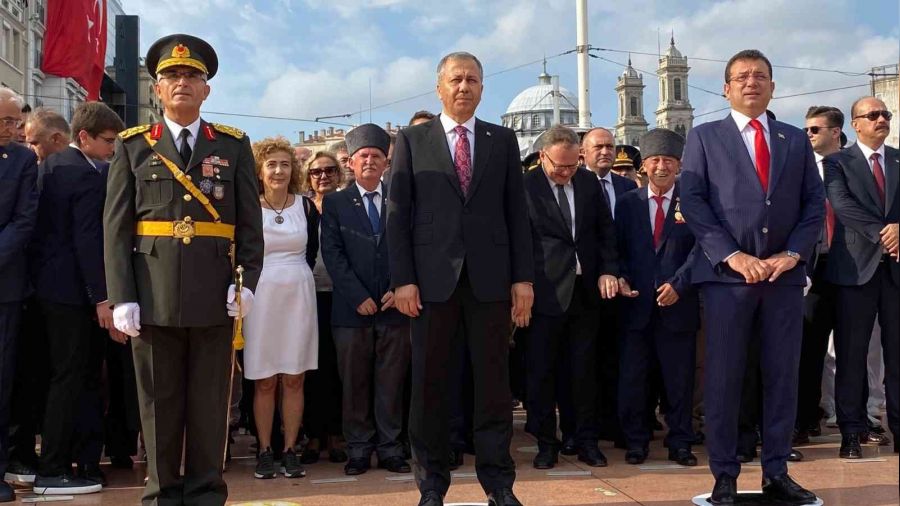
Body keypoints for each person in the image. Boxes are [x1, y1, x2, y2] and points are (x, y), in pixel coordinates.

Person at [104, 34, 264, 505]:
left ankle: (205, 492)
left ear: (206, 89)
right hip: (152, 294)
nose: (182, 83)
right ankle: (161, 493)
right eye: (172, 76)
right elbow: (115, 228)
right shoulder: (133, 147)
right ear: (157, 88)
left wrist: (248, 282)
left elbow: (249, 227)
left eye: (192, 76)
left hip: (216, 293)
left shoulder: (233, 146)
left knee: (210, 404)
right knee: (158, 405)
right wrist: (122, 295)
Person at [387, 51, 534, 506]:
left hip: (490, 281)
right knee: (429, 385)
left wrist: (522, 279)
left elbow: (516, 213)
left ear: (483, 88)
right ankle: (431, 485)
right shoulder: (413, 139)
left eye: (472, 80)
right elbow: (398, 215)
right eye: (456, 79)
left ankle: (499, 485)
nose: (464, 87)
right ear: (439, 87)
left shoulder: (502, 140)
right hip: (431, 284)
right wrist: (404, 279)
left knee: (493, 387)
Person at [680, 49, 822, 505]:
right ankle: (724, 473)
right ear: (725, 88)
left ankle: (776, 470)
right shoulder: (704, 137)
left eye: (760, 76)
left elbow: (813, 205)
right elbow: (695, 203)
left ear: (772, 86)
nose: (751, 83)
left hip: (781, 280)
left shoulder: (794, 140)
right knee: (724, 378)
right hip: (727, 281)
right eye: (741, 77)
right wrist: (732, 255)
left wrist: (794, 254)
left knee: (782, 376)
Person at [30, 102, 125, 496]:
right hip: (73, 295)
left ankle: (58, 460)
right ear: (82, 137)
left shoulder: (49, 168)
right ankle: (54, 468)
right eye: (107, 142)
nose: (111, 151)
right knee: (73, 378)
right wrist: (102, 298)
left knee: (62, 377)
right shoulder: (83, 174)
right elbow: (88, 241)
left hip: (47, 291)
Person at [521, 125, 618, 470]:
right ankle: (547, 443)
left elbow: (606, 231)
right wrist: (520, 285)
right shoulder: (525, 187)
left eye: (572, 165)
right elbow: (519, 242)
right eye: (558, 167)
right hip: (543, 293)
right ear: (542, 156)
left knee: (583, 371)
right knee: (542, 372)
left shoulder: (588, 183)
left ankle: (585, 440)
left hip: (585, 292)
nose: (565, 173)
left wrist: (609, 269)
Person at [322, 123, 411, 476]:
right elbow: (333, 253)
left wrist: (398, 286)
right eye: (364, 156)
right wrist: (358, 295)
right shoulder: (336, 202)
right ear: (351, 162)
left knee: (391, 384)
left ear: (386, 161)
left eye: (376, 156)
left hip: (394, 307)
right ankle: (358, 449)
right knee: (355, 384)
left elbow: (409, 246)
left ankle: (390, 448)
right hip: (351, 311)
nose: (370, 161)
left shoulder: (401, 199)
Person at [614, 128, 699, 467]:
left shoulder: (693, 202)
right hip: (636, 306)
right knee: (635, 378)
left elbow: (703, 249)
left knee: (679, 381)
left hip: (679, 304)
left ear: (678, 165)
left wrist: (680, 284)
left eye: (668, 160)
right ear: (643, 166)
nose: (661, 167)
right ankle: (636, 442)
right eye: (654, 161)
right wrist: (620, 276)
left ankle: (680, 442)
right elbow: (615, 249)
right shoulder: (628, 204)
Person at [824, 96, 899, 457]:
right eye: (873, 115)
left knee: (896, 355)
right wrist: (884, 232)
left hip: (896, 270)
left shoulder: (899, 159)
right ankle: (851, 432)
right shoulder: (838, 163)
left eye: (885, 114)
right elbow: (841, 204)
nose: (881, 119)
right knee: (852, 356)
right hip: (855, 271)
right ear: (855, 123)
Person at [244, 136, 318, 480]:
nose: (278, 170)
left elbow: (313, 251)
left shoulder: (305, 207)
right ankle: (264, 449)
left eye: (285, 164)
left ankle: (290, 449)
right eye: (271, 164)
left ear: (294, 170)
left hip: (299, 296)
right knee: (264, 381)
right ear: (260, 169)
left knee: (294, 378)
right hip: (260, 297)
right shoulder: (247, 206)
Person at [578, 127, 637, 452]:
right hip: (585, 289)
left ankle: (618, 423)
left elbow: (630, 240)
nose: (605, 152)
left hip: (623, 288)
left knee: (619, 360)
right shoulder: (575, 185)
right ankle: (587, 426)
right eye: (598, 146)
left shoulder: (628, 188)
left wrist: (622, 274)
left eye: (610, 146)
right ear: (583, 153)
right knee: (587, 360)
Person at [794, 105, 844, 443]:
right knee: (810, 345)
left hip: (853, 266)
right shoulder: (800, 170)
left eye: (814, 129)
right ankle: (806, 416)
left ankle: (857, 416)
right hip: (813, 267)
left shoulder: (854, 167)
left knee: (856, 348)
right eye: (806, 129)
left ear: (835, 132)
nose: (808, 135)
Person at [0, 87, 39, 504]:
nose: (13, 129)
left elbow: (24, 220)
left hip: (5, 287)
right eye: (6, 122)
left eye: (16, 122)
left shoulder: (24, 160)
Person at [301, 152, 348, 465]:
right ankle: (313, 434)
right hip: (306, 295)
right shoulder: (301, 208)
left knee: (339, 367)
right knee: (311, 368)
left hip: (343, 295)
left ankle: (337, 434)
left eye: (330, 170)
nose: (323, 176)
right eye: (316, 172)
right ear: (308, 178)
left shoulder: (348, 204)